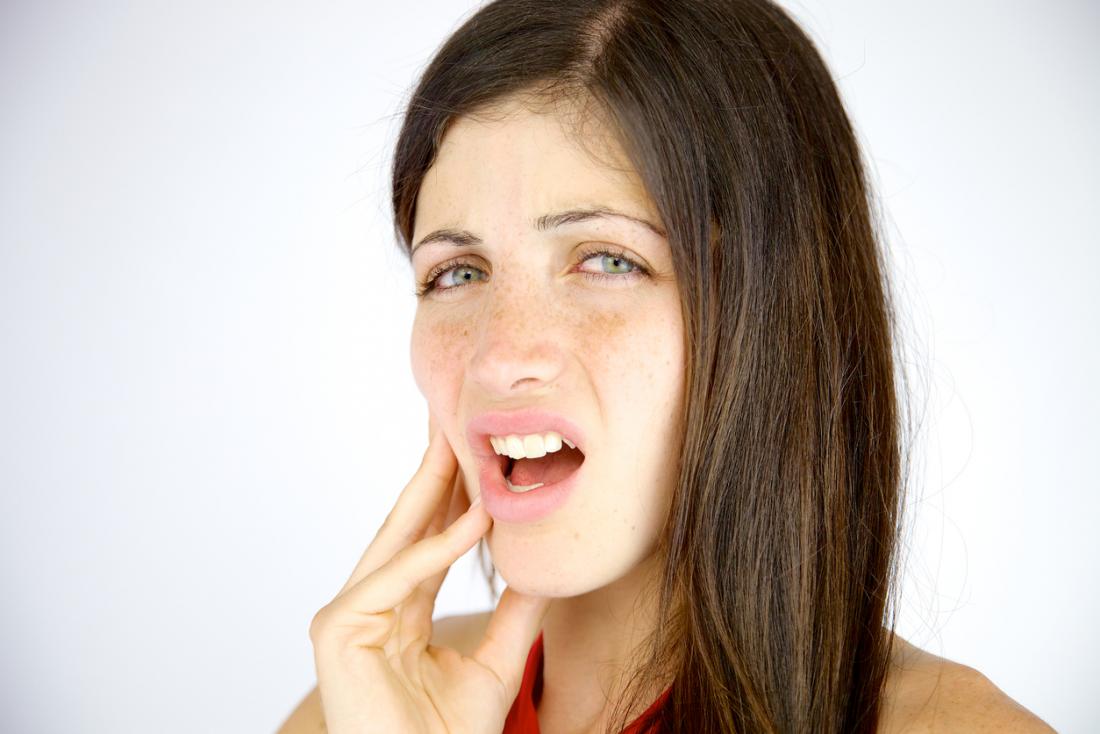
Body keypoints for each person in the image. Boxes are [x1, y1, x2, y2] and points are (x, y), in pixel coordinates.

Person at [280, 0, 1055, 731]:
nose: (500, 355)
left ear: (771, 313)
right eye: (457, 272)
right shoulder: (362, 704)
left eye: (608, 260)